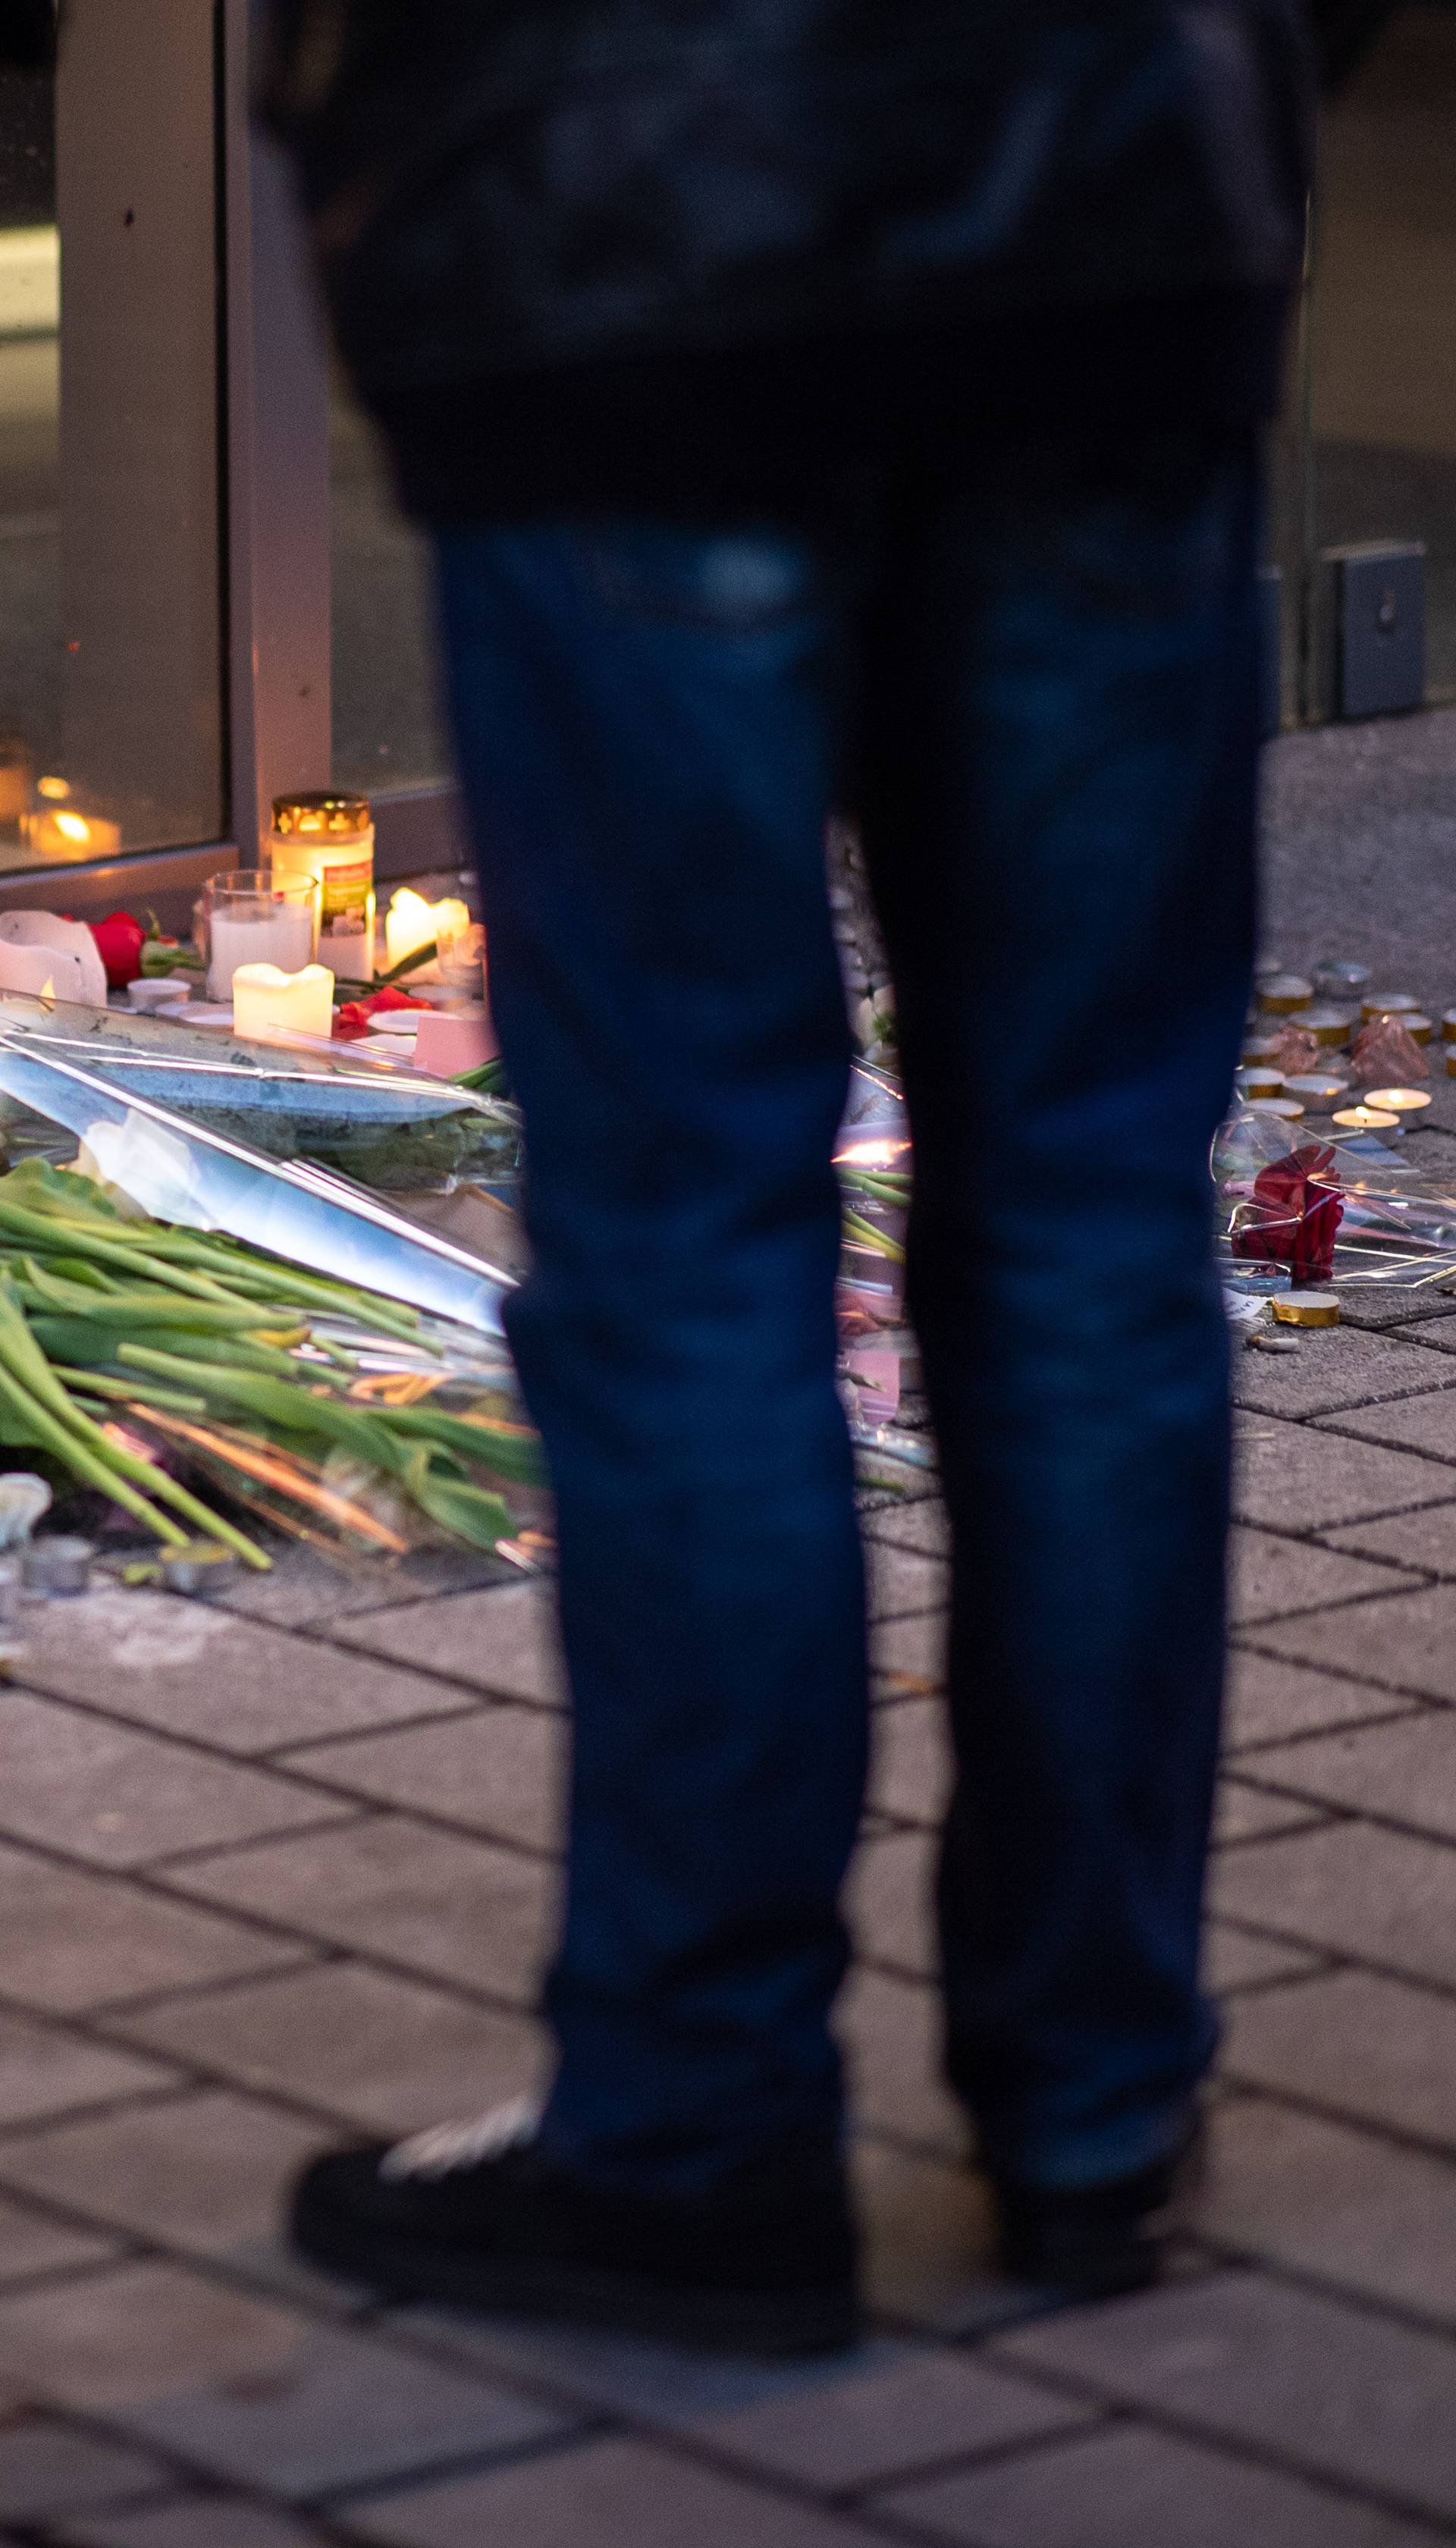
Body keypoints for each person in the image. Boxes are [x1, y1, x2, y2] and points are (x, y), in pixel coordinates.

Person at [270, 0, 1324, 2353]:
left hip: (614, 224)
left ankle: (697, 2124)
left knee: (685, 1233)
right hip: (1108, 198)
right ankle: (1090, 2103)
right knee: (1082, 1223)